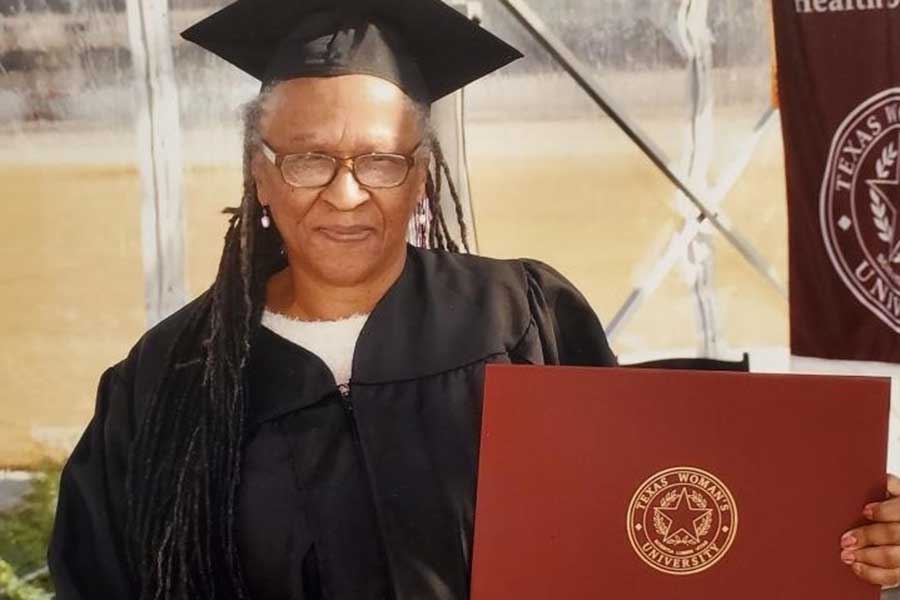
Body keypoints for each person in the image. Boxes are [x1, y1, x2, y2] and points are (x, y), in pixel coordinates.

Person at [46, 0, 900, 598]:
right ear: (260, 174)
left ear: (422, 174)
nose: (346, 195)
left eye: (381, 160)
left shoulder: (519, 316)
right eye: (308, 159)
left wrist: (851, 535)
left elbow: (648, 524)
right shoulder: (168, 379)